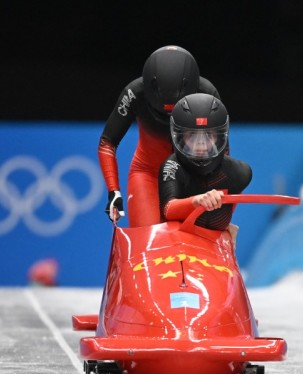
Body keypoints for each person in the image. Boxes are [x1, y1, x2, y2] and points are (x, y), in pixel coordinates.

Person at [98, 45, 220, 227]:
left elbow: (222, 153)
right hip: (148, 175)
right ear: (147, 89)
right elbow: (107, 143)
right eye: (161, 113)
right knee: (147, 243)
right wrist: (113, 191)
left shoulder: (207, 94)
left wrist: (218, 198)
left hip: (192, 178)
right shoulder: (134, 93)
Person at [158, 93, 251, 244]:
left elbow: (227, 207)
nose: (200, 144)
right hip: (175, 246)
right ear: (179, 138)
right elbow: (168, 209)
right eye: (191, 136)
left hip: (211, 251)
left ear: (220, 138)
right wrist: (197, 201)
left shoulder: (240, 173)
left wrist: (222, 226)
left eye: (209, 136)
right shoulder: (172, 166)